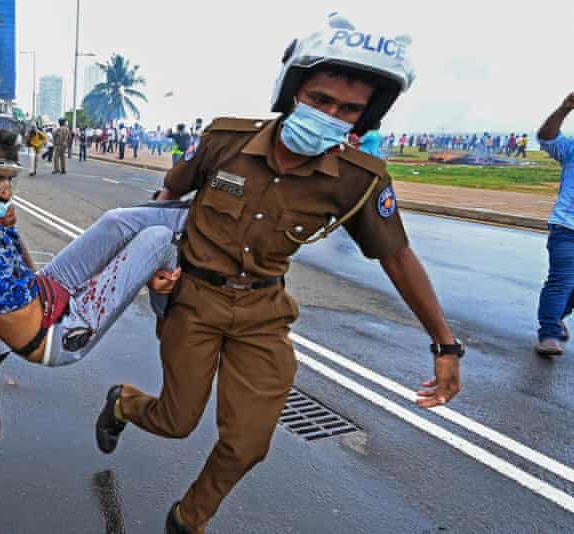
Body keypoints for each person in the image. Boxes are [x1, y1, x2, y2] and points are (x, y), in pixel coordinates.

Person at [94, 15, 463, 534]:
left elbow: (398, 257)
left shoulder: (359, 179)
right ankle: (125, 403)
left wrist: (445, 346)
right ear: (293, 91)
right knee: (176, 423)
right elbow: (167, 196)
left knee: (249, 443)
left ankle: (188, 518)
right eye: (320, 99)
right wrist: (156, 264)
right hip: (193, 301)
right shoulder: (224, 140)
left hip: (264, 315)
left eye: (349, 109)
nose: (332, 114)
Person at [0, 124, 186, 368]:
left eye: (8, 180)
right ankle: (170, 322)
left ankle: (196, 216)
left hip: (45, 288)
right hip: (54, 334)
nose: (5, 191)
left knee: (115, 221)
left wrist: (9, 234)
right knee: (158, 238)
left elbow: (20, 270)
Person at [533, 94, 574, 356]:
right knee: (562, 280)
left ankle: (558, 315)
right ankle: (548, 333)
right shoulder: (571, 149)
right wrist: (564, 108)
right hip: (567, 228)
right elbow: (546, 137)